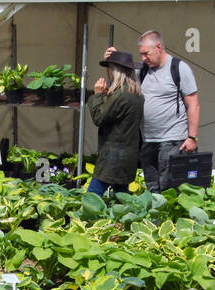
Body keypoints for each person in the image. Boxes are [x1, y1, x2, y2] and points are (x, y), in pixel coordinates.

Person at [106, 30, 200, 193]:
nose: (143, 58)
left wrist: (192, 137)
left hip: (173, 139)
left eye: (145, 54)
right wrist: (110, 61)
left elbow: (194, 105)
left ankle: (171, 218)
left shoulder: (179, 68)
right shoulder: (142, 70)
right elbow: (117, 80)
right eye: (141, 54)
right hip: (148, 139)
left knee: (168, 187)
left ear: (158, 47)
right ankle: (156, 219)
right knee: (152, 185)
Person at [86, 50, 143, 197]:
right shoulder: (136, 94)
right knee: (122, 196)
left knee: (93, 195)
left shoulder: (121, 94)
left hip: (112, 156)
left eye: (110, 68)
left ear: (115, 71)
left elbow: (98, 118)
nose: (108, 72)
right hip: (127, 156)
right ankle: (126, 220)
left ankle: (86, 220)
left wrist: (97, 95)